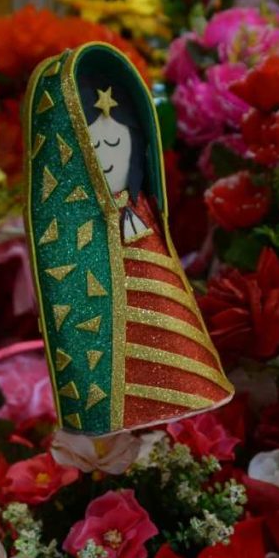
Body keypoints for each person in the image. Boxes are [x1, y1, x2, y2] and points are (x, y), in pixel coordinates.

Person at [26, 42, 234, 435]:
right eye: (95, 145)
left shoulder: (143, 211)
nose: (106, 155)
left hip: (142, 241)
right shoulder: (73, 233)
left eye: (116, 144)